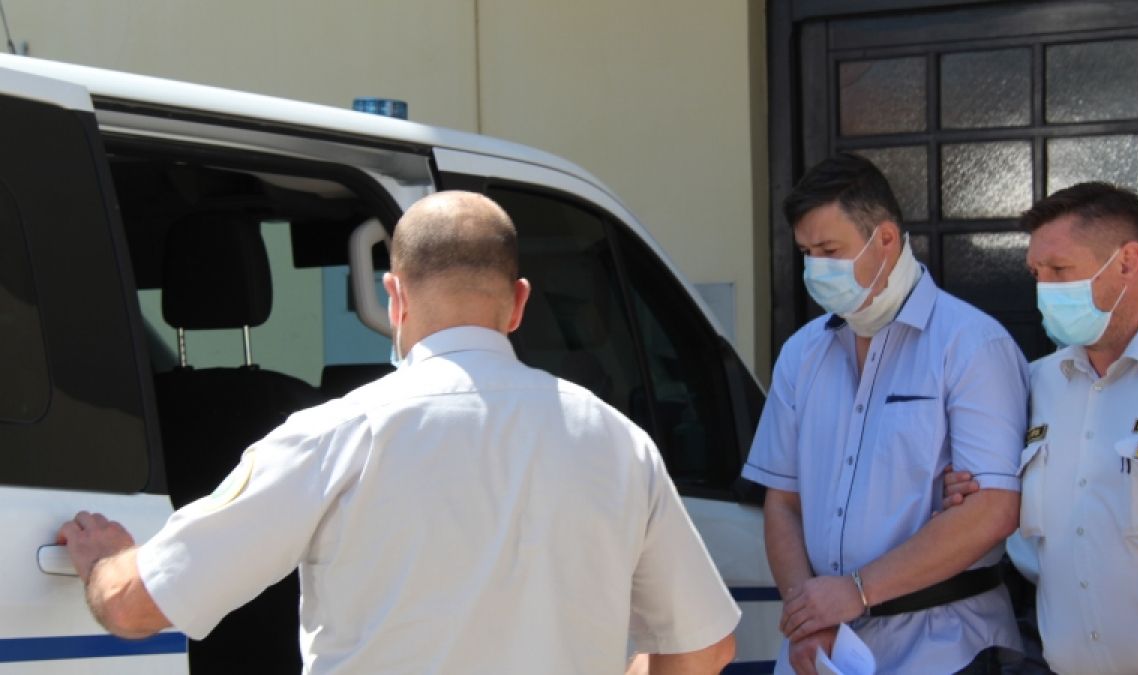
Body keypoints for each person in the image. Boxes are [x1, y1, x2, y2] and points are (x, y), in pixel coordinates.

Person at [57, 191, 739, 674]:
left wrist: (105, 560)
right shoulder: (618, 441)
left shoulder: (336, 435)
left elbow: (136, 608)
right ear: (519, 303)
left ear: (395, 297)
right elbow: (705, 648)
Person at [741, 153, 1027, 674]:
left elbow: (992, 511)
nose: (816, 269)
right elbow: (782, 502)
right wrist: (809, 616)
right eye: (806, 253)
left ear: (887, 239)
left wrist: (856, 591)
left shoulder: (971, 345)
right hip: (825, 652)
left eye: (830, 251)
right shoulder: (802, 353)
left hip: (943, 648)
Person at [942, 182, 1138, 675]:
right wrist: (968, 493)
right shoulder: (1034, 385)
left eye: (1059, 271)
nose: (1044, 290)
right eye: (1036, 273)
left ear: (1128, 262)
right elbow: (1007, 520)